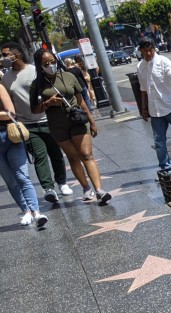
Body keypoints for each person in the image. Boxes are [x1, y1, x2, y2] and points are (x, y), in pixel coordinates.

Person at [30, 49, 110, 204]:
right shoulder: (37, 84)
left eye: (52, 62)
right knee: (73, 157)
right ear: (40, 66)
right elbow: (34, 109)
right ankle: (86, 188)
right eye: (46, 63)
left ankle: (99, 190)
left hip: (77, 120)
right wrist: (48, 103)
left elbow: (80, 100)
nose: (50, 65)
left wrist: (91, 121)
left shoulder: (68, 76)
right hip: (57, 125)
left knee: (86, 154)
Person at [1, 42, 71, 204]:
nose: (3, 58)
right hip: (27, 124)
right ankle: (48, 188)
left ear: (16, 54)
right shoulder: (6, 79)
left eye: (5, 54)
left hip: (47, 119)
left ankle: (62, 182)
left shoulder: (34, 71)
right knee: (40, 156)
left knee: (56, 153)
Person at [136, 37, 171, 171]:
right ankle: (164, 167)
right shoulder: (140, 67)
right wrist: (143, 108)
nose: (149, 53)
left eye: (150, 50)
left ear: (154, 49)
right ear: (141, 51)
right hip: (154, 110)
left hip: (170, 106)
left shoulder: (163, 61)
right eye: (145, 51)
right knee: (159, 142)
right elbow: (143, 89)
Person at [0, 82, 47, 226]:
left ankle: (36, 212)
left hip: (9, 135)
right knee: (10, 181)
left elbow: (10, 112)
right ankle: (26, 211)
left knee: (22, 176)